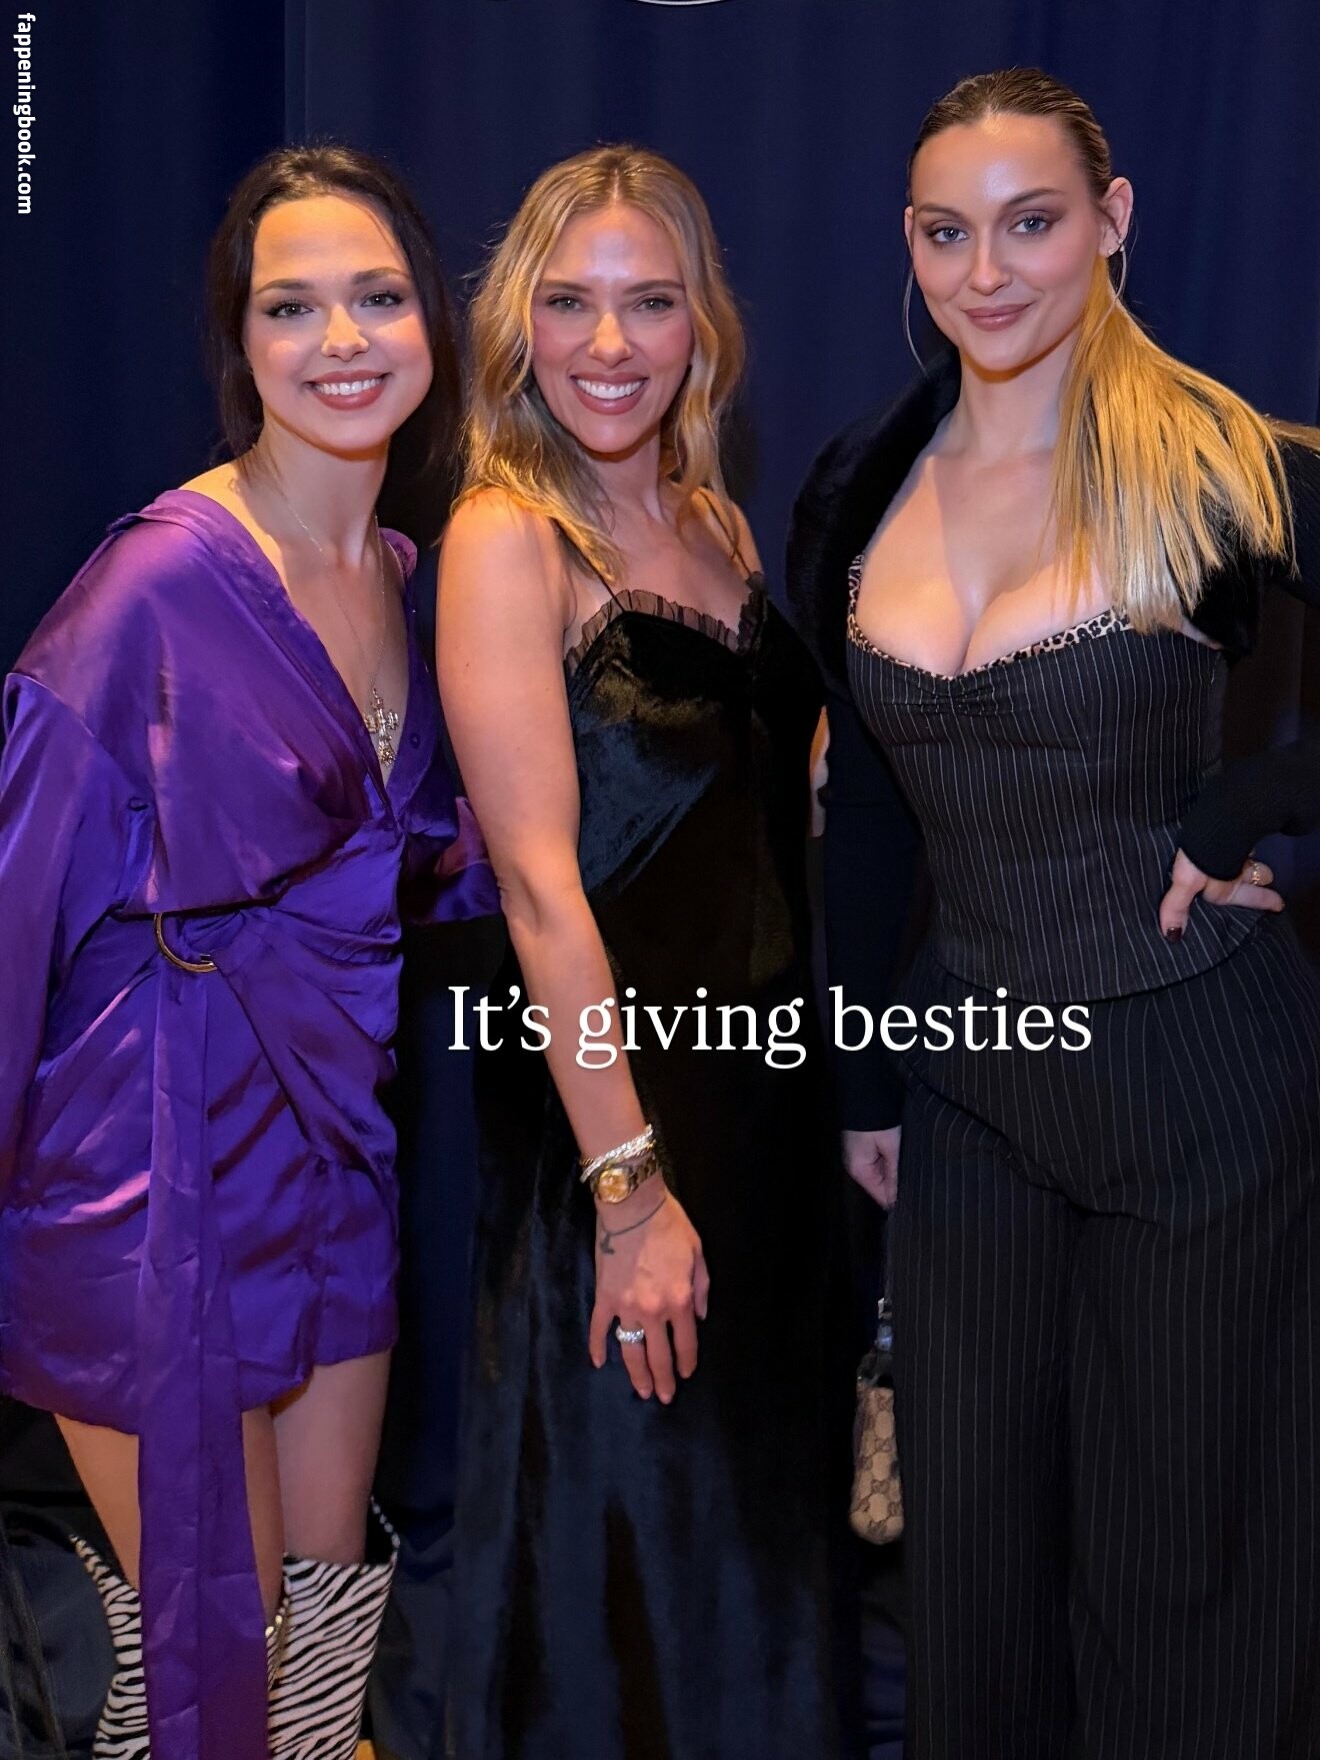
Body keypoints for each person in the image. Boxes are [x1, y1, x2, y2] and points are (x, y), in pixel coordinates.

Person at [788, 67, 1320, 1760]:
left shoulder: (1220, 463)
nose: (988, 271)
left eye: (1031, 223)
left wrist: (1254, 808)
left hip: (1198, 1077)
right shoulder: (859, 483)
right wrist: (867, 1078)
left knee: (1188, 1569)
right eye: (948, 233)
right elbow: (869, 815)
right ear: (909, 243)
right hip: (969, 1085)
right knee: (972, 1568)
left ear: (1112, 220)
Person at [0, 144, 494, 1760]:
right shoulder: (156, 581)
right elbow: (14, 896)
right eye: (292, 307)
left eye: (378, 297)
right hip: (152, 1157)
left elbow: (409, 870)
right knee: (221, 1641)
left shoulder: (401, 574)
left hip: (333, 1143)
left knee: (327, 1622)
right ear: (241, 339)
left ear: (433, 326)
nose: (341, 340)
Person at [437, 145, 857, 1760]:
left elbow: (778, 824)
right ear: (518, 327)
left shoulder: (719, 523)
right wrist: (629, 1192)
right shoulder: (508, 537)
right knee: (638, 1580)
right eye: (569, 303)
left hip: (769, 1117)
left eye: (650, 303)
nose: (608, 345)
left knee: (761, 1565)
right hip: (618, 1129)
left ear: (704, 326)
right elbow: (538, 889)